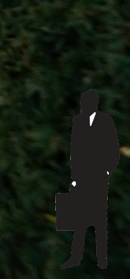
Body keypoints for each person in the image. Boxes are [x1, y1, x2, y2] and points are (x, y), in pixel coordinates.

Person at [64, 89, 117, 268]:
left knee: (100, 219)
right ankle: (76, 256)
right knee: (80, 219)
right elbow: (75, 151)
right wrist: (74, 177)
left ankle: (102, 258)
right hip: (82, 176)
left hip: (99, 176)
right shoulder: (78, 122)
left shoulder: (105, 121)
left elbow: (113, 149)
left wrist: (106, 171)